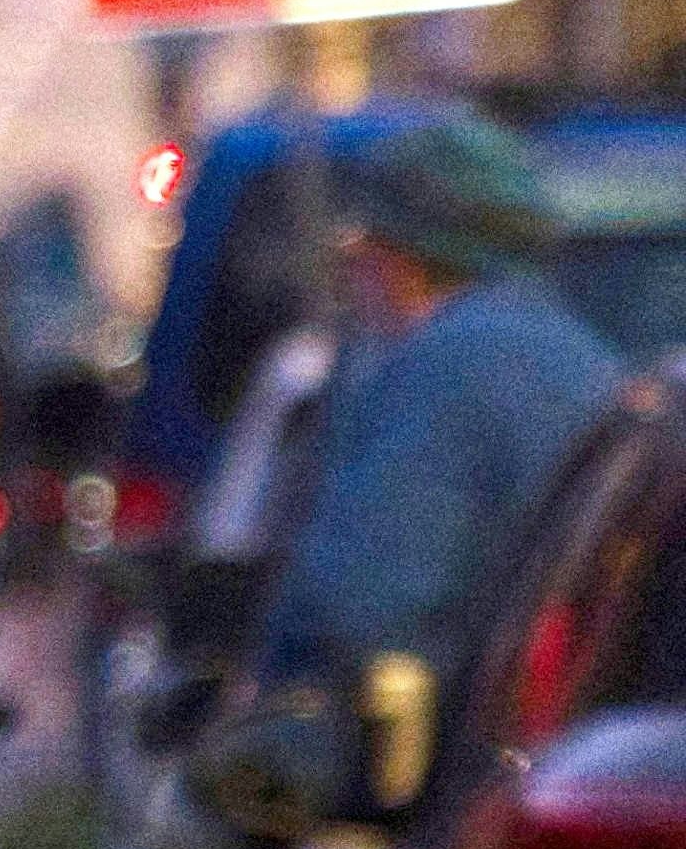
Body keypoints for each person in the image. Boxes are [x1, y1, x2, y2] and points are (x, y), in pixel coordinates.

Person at [243, 109, 622, 724]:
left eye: (361, 250)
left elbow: (361, 602)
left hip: (462, 753)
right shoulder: (584, 357)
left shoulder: (445, 367)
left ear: (398, 259)